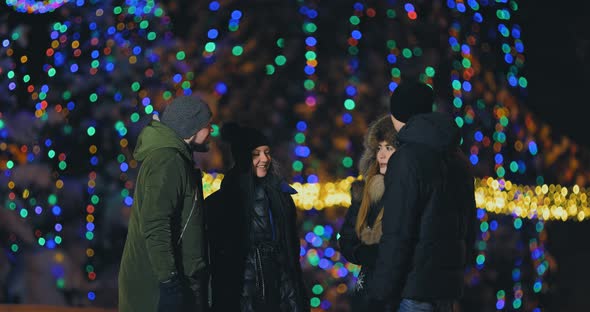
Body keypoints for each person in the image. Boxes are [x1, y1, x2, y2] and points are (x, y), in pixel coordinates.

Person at [367, 81, 477, 311]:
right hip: (446, 291)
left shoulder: (407, 159)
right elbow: (468, 226)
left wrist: (380, 291)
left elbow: (398, 231)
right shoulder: (457, 158)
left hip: (414, 291)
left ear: (399, 115)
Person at [118, 95, 213, 312]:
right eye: (208, 126)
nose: (212, 131)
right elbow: (156, 225)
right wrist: (169, 281)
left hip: (170, 281)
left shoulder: (176, 159)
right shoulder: (168, 161)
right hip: (156, 288)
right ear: (191, 128)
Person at [205, 122, 309, 312]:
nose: (264, 159)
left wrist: (297, 298)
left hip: (280, 293)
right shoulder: (221, 202)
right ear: (243, 157)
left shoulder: (282, 197)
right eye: (256, 154)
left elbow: (290, 255)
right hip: (240, 296)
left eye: (267, 152)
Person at [338, 114, 397, 311]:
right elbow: (347, 238)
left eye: (388, 148)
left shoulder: (408, 193)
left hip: (398, 292)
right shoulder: (364, 194)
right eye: (379, 148)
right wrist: (364, 253)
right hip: (369, 292)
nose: (381, 155)